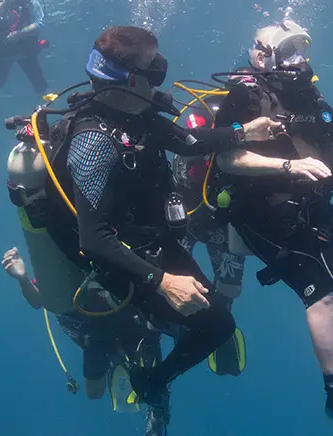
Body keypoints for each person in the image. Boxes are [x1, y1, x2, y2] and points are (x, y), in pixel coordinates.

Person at [39, 26, 279, 412]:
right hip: (116, 255)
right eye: (153, 65)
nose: (162, 70)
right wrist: (163, 281)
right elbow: (93, 239)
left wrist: (242, 131)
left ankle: (149, 368)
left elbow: (189, 142)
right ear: (132, 79)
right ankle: (146, 371)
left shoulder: (141, 115)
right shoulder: (94, 142)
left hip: (151, 239)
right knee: (214, 325)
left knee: (214, 320)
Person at [213, 20, 333, 430]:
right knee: (322, 298)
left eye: (300, 50)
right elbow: (228, 159)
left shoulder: (305, 92)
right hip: (262, 216)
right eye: (288, 52)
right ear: (262, 54)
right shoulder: (242, 96)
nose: (298, 60)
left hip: (313, 212)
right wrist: (288, 164)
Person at [0, 247, 170, 436]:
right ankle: (120, 361)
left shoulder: (92, 248)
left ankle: (156, 407)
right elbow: (38, 300)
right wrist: (22, 277)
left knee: (149, 360)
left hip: (125, 322)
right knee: (94, 392)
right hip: (95, 335)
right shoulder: (55, 268)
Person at [172, 100, 247, 377]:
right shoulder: (204, 120)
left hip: (210, 217)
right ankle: (201, 324)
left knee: (227, 288)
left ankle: (212, 324)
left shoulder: (240, 127)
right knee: (184, 281)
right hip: (191, 214)